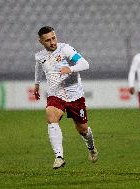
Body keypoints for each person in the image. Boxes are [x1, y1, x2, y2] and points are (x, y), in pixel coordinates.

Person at [34, 26, 98, 169]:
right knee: (51, 116)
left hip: (75, 96)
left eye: (53, 38)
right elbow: (38, 67)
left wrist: (71, 68)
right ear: (41, 42)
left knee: (82, 129)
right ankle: (59, 157)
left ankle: (91, 147)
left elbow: (85, 64)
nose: (52, 42)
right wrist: (37, 84)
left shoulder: (65, 49)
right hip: (56, 94)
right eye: (48, 40)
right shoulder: (39, 56)